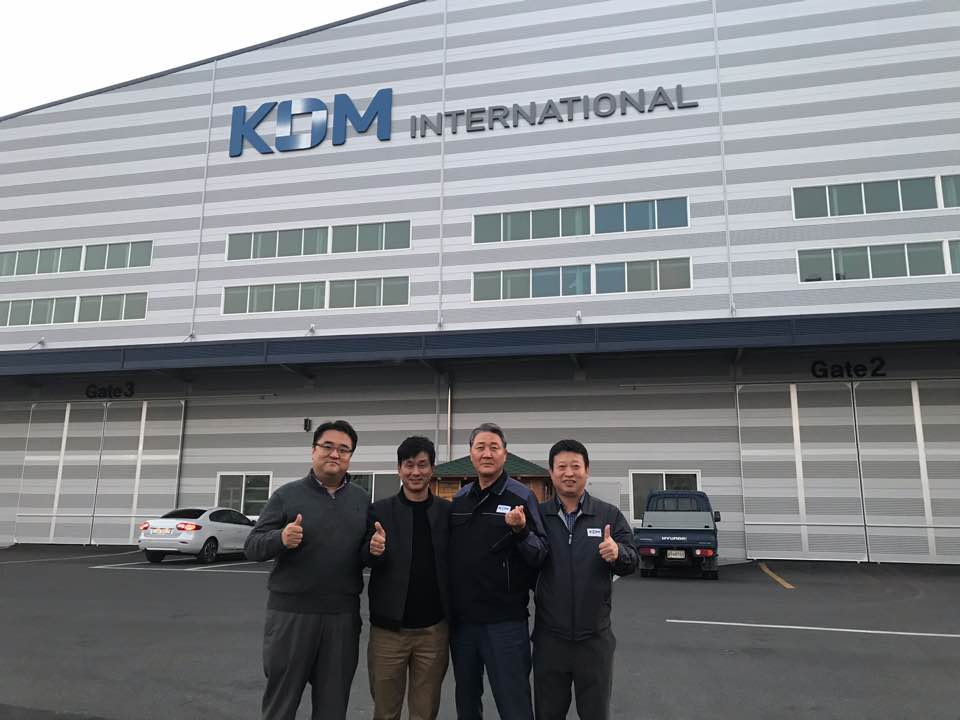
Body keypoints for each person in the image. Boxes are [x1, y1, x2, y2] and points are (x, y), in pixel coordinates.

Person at [244, 419, 369, 720]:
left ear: (350, 456)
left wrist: (375, 548)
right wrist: (281, 538)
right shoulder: (287, 495)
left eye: (343, 449)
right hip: (291, 616)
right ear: (314, 450)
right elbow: (252, 546)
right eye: (328, 446)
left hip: (341, 618)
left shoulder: (361, 500)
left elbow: (365, 553)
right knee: (281, 704)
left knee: (333, 706)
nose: (335, 454)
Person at [448, 422, 549, 720]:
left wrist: (521, 531)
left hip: (505, 623)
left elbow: (540, 554)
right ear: (470, 454)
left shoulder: (521, 497)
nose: (487, 454)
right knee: (467, 703)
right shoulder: (460, 499)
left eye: (494, 447)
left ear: (505, 454)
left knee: (514, 704)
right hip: (464, 624)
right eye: (480, 447)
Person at [532, 439, 638, 720]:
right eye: (561, 467)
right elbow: (525, 562)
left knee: (595, 714)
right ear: (551, 472)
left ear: (587, 470)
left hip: (594, 640)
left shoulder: (607, 515)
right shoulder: (538, 516)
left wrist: (618, 553)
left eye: (575, 466)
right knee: (547, 714)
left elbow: (633, 559)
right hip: (550, 640)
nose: (569, 473)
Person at [362, 436, 451, 720]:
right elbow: (364, 555)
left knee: (425, 712)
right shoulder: (380, 511)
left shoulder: (446, 512)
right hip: (389, 631)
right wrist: (373, 550)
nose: (416, 472)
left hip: (433, 632)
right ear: (399, 469)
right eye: (409, 465)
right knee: (385, 711)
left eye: (422, 465)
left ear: (432, 469)